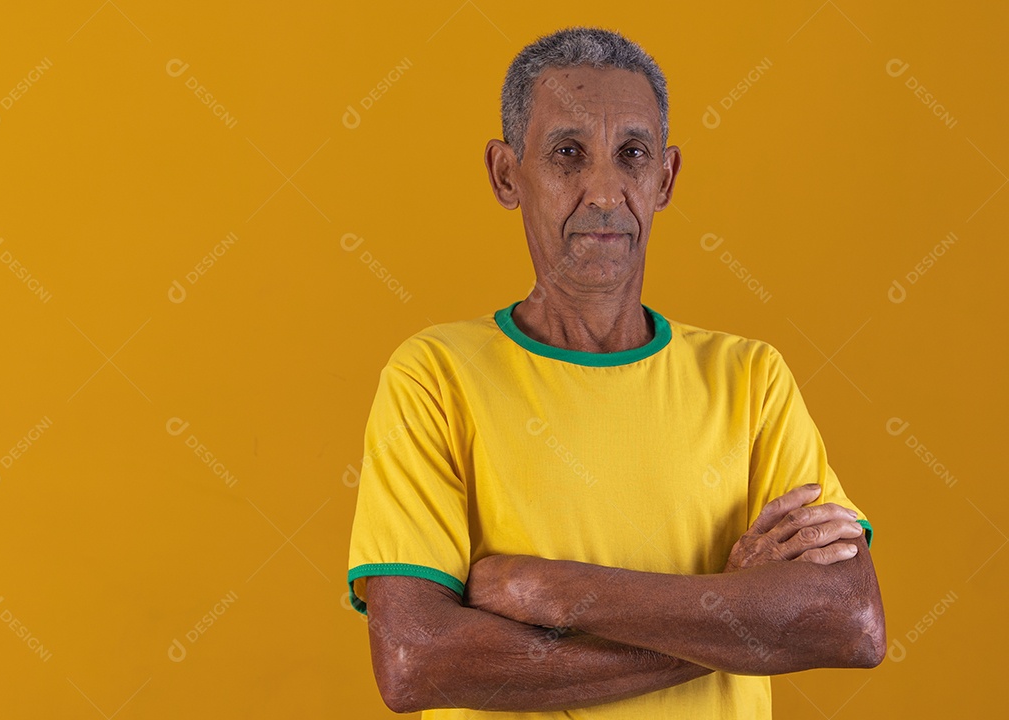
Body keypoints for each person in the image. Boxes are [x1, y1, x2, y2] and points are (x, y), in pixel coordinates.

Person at [345, 26, 885, 719]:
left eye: (631, 154)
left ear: (664, 178)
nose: (604, 191)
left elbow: (850, 621)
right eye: (568, 153)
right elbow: (416, 663)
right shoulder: (434, 376)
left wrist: (558, 592)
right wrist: (736, 613)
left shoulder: (752, 379)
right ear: (506, 174)